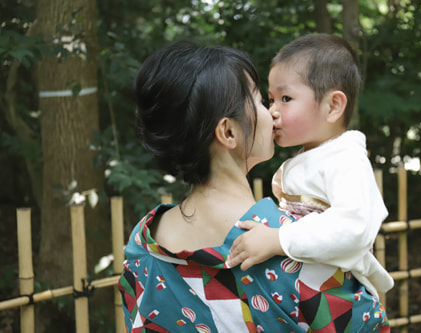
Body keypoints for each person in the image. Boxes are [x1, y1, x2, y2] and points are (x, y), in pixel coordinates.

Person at [118, 39, 390, 332]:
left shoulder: (141, 248)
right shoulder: (294, 249)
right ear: (228, 131)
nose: (272, 113)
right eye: (261, 100)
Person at [228, 33, 394, 302]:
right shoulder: (313, 157)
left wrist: (277, 240)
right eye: (271, 100)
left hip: (339, 302)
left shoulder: (346, 160)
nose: (273, 111)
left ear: (333, 106)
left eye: (286, 98)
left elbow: (353, 227)